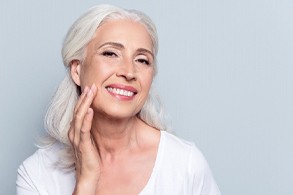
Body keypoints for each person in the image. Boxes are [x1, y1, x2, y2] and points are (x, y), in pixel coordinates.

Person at [16, 4, 221, 195]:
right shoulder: (36, 175)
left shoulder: (185, 164)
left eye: (142, 60)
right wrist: (86, 180)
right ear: (77, 70)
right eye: (111, 53)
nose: (129, 72)